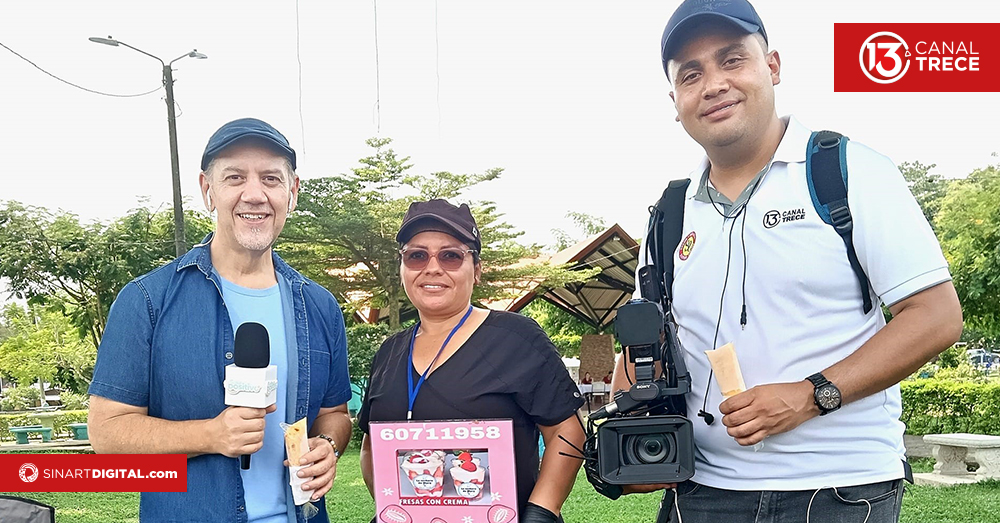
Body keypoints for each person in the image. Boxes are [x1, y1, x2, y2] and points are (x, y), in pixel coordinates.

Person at [610, 1, 963, 522]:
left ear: (772, 66)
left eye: (732, 60)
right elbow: (649, 341)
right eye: (691, 74)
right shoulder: (668, 213)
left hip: (840, 490)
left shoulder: (847, 172)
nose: (713, 84)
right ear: (675, 99)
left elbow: (936, 317)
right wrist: (633, 416)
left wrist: (811, 395)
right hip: (703, 489)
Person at [88, 118, 353, 523]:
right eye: (234, 177)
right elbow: (106, 435)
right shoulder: (146, 301)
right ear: (207, 190)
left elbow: (334, 414)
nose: (254, 195)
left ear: (292, 192)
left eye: (270, 178)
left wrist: (327, 446)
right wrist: (208, 435)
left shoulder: (318, 306)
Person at [358, 199, 586, 522]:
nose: (432, 267)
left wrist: (541, 512)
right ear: (402, 268)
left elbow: (568, 429)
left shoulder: (517, 338)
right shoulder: (388, 352)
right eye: (416, 255)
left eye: (451, 256)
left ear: (477, 270)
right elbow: (369, 447)